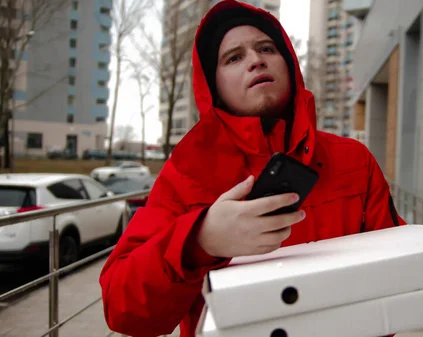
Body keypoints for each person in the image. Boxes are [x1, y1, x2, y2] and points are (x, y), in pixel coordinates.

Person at [99, 1, 406, 336]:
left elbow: (397, 277)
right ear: (214, 86)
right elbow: (123, 310)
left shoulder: (354, 161)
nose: (255, 60)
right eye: (234, 57)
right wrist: (199, 241)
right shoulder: (185, 173)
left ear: (289, 64)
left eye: (266, 48)